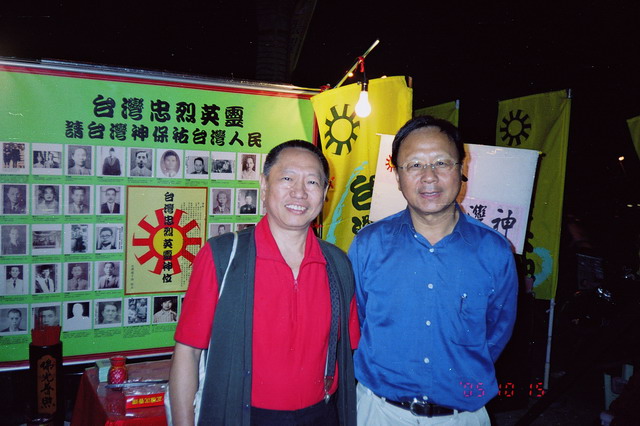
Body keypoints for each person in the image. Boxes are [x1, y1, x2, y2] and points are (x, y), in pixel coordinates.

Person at [169, 140, 359, 425]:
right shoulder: (222, 256)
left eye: (312, 182)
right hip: (241, 416)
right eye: (287, 178)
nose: (299, 192)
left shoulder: (337, 264)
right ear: (264, 184)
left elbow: (347, 352)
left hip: (320, 415)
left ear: (324, 193)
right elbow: (187, 352)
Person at [349, 116, 518, 425]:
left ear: (462, 169)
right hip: (379, 413)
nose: (429, 177)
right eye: (414, 165)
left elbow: (498, 331)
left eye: (441, 162)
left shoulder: (494, 251)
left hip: (461, 416)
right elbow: (358, 321)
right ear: (397, 176)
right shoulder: (368, 245)